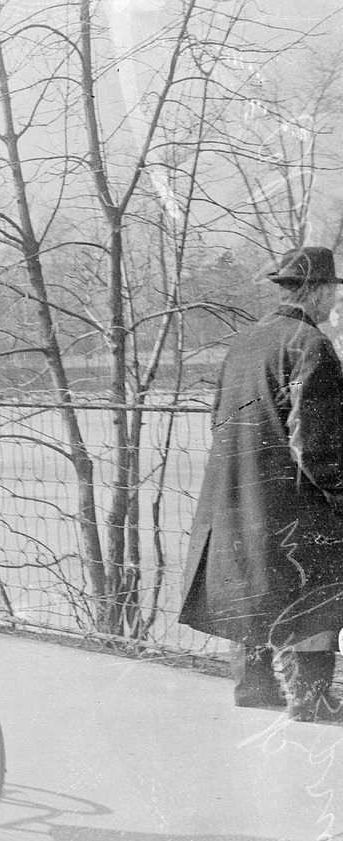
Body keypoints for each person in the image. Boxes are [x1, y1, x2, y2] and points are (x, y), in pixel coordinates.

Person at [181, 246, 343, 723]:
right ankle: (311, 698)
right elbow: (315, 443)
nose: (334, 300)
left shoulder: (245, 341)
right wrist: (339, 494)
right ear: (317, 291)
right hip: (292, 499)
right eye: (332, 291)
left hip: (235, 491)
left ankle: (253, 686)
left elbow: (219, 419)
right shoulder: (310, 344)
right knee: (317, 587)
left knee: (251, 583)